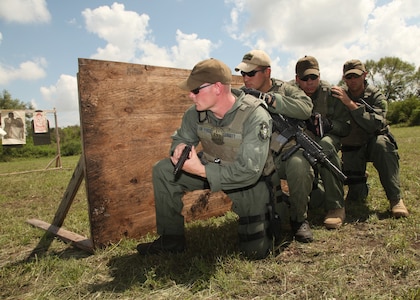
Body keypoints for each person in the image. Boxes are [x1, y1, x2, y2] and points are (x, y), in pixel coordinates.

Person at [137, 58, 274, 259]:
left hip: (248, 182)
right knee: (163, 170)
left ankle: (276, 211)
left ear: (217, 87)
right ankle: (171, 240)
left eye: (195, 90)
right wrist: (179, 148)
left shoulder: (255, 115)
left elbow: (249, 172)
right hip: (211, 167)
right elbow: (181, 138)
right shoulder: (195, 113)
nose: (190, 95)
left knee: (255, 253)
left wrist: (201, 171)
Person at [235, 50, 315, 243]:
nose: (246, 78)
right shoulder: (240, 96)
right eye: (243, 74)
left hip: (284, 155)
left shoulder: (285, 89)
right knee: (268, 221)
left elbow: (306, 109)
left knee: (300, 165)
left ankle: (299, 220)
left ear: (267, 72)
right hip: (258, 158)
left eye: (251, 73)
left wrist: (270, 100)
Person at [331, 59, 409, 218]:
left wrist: (350, 104)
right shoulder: (338, 95)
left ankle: (396, 199)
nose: (352, 81)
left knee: (383, 145)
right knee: (356, 197)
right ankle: (360, 181)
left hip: (374, 142)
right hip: (352, 146)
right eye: (349, 77)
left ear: (365, 75)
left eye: (356, 76)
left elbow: (376, 124)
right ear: (344, 78)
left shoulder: (376, 95)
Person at [291, 56, 350, 229]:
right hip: (300, 139)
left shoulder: (332, 94)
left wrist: (329, 125)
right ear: (297, 79)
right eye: (304, 78)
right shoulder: (289, 92)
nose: (310, 82)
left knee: (325, 146)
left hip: (328, 139)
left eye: (313, 77)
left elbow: (345, 127)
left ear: (319, 75)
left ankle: (336, 206)